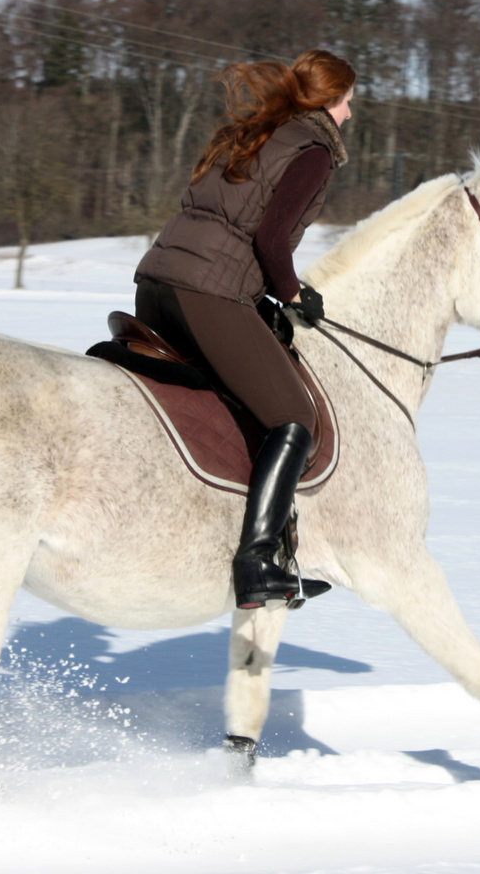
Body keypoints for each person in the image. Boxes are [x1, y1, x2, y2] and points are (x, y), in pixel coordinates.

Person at [134, 49, 354, 608]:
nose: (349, 114)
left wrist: (260, 298)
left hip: (157, 282)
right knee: (294, 415)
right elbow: (270, 237)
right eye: (347, 102)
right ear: (328, 102)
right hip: (207, 292)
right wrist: (295, 294)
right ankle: (256, 561)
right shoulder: (312, 151)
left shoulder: (254, 133)